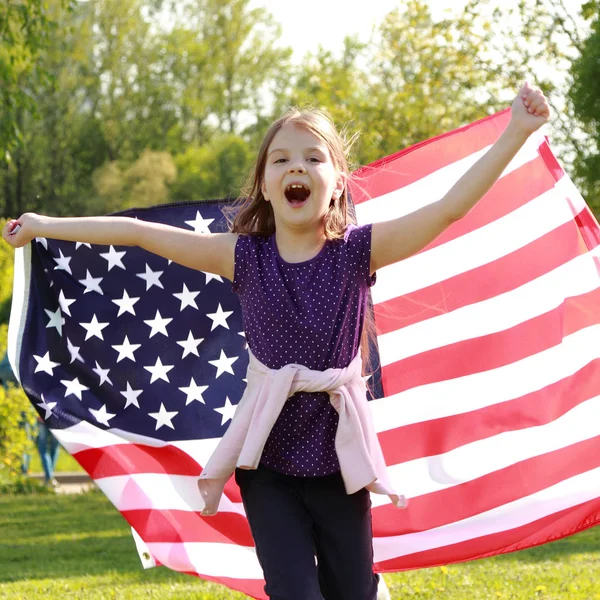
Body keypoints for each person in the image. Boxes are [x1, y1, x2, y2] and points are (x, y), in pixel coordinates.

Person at [2, 82, 550, 599]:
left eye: (314, 158)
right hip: (267, 465)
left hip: (340, 465)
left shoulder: (357, 252)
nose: (297, 167)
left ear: (337, 180)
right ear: (265, 183)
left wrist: (516, 131)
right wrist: (44, 224)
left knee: (352, 593)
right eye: (282, 159)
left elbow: (447, 209)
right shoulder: (241, 256)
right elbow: (139, 234)